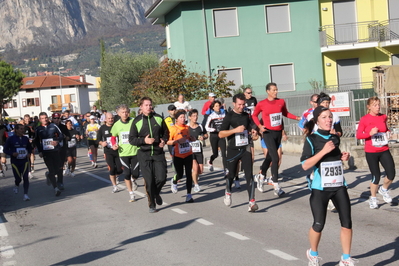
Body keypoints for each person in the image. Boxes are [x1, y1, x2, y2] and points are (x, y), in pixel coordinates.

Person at [301, 106, 356, 266]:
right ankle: (313, 253)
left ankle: (345, 258)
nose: (328, 120)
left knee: (347, 223)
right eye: (324, 117)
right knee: (319, 224)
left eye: (330, 117)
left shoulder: (335, 138)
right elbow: (305, 165)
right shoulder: (311, 139)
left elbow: (334, 157)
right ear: (317, 120)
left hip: (339, 185)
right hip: (320, 188)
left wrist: (342, 156)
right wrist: (323, 151)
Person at [252, 82, 300, 197]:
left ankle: (261, 174)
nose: (276, 92)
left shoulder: (281, 102)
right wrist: (259, 126)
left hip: (277, 133)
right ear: (268, 91)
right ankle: (276, 184)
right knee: (275, 157)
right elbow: (254, 115)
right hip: (267, 132)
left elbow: (285, 113)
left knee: (269, 156)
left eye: (276, 89)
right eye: (273, 90)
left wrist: (297, 117)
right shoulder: (262, 104)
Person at [218, 93, 258, 212]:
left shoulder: (246, 115)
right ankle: (228, 191)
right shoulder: (229, 116)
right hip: (233, 150)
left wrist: (254, 133)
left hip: (245, 148)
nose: (242, 106)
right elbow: (221, 134)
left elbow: (250, 128)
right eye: (239, 104)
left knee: (249, 175)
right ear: (234, 104)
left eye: (243, 104)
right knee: (231, 174)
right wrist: (235, 130)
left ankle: (251, 202)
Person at [129, 97, 169, 213]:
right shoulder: (136, 121)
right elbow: (132, 140)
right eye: (146, 105)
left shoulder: (159, 118)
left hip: (158, 153)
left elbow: (165, 133)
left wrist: (163, 141)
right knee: (149, 180)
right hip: (144, 154)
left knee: (162, 178)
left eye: (150, 105)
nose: (149, 107)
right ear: (141, 107)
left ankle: (156, 192)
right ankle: (151, 204)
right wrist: (144, 141)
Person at [356, 96, 395, 209]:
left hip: (384, 149)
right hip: (371, 151)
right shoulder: (364, 119)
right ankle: (373, 198)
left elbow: (385, 129)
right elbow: (359, 135)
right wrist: (370, 133)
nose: (378, 107)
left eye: (378, 105)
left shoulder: (383, 117)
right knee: (376, 176)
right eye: (375, 105)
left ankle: (384, 189)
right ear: (369, 107)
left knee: (391, 173)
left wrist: (389, 133)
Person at [111, 104, 139, 203]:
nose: (125, 114)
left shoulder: (134, 121)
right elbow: (113, 137)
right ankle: (131, 193)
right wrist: (114, 144)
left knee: (135, 173)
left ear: (129, 112)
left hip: (135, 151)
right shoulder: (116, 125)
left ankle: (134, 179)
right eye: (123, 112)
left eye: (126, 112)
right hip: (123, 153)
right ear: (119, 114)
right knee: (127, 173)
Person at [167, 110, 196, 203]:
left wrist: (192, 139)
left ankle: (189, 195)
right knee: (180, 174)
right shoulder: (173, 128)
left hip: (188, 154)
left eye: (184, 117)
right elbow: (167, 141)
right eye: (181, 117)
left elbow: (190, 138)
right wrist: (177, 141)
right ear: (176, 119)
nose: (183, 119)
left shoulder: (187, 128)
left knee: (189, 174)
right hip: (178, 155)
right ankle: (174, 181)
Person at [35, 112, 64, 196]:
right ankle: (56, 188)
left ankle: (49, 175)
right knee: (51, 170)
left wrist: (57, 141)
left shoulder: (53, 126)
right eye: (43, 118)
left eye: (46, 117)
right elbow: (36, 140)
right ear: (40, 120)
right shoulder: (38, 129)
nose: (45, 119)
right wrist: (40, 151)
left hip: (55, 150)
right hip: (46, 152)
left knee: (58, 169)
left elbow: (61, 135)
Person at [3, 124, 33, 201]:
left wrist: (29, 153)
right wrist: (12, 153)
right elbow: (5, 150)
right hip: (15, 162)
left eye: (23, 129)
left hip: (24, 161)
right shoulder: (11, 139)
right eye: (21, 129)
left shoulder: (25, 138)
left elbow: (29, 148)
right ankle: (16, 185)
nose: (23, 130)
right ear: (16, 130)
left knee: (25, 178)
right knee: (18, 178)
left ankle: (25, 194)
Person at [98, 112, 122, 193]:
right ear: (105, 119)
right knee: (111, 168)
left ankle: (117, 175)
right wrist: (102, 143)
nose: (111, 120)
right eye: (109, 118)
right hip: (108, 151)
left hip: (118, 150)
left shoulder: (117, 126)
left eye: (112, 118)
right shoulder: (102, 128)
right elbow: (98, 139)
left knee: (119, 169)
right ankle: (115, 186)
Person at [188, 109, 208, 192]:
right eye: (193, 116)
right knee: (195, 168)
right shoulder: (186, 127)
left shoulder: (200, 126)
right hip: (190, 151)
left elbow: (206, 134)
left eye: (196, 116)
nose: (195, 118)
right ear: (189, 117)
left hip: (199, 150)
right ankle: (196, 185)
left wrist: (204, 137)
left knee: (200, 170)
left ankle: (194, 175)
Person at [205, 100, 227, 173]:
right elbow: (206, 127)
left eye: (219, 106)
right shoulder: (211, 116)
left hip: (221, 135)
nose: (218, 107)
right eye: (216, 106)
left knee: (224, 153)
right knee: (215, 154)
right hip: (214, 136)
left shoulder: (224, 114)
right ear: (213, 108)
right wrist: (214, 129)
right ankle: (210, 161)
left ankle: (226, 170)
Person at [52, 113, 70, 190]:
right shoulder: (50, 127)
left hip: (62, 148)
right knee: (53, 167)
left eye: (58, 118)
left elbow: (68, 137)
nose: (57, 119)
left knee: (60, 166)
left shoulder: (63, 127)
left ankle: (60, 182)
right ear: (52, 119)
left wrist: (65, 137)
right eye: (55, 118)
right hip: (52, 150)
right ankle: (50, 175)